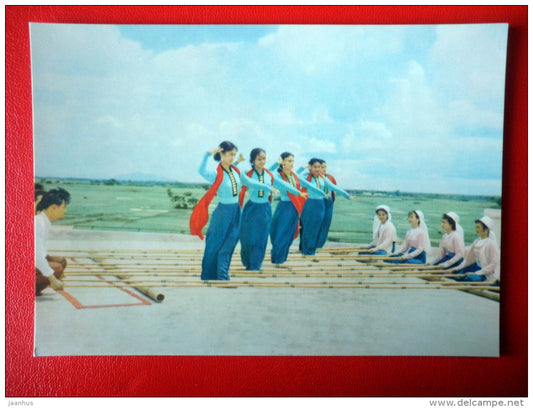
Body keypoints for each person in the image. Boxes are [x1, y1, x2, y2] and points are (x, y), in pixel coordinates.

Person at [190, 141, 244, 281]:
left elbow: (238, 178)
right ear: (222, 154)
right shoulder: (216, 174)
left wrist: (237, 162)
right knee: (214, 244)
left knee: (230, 243)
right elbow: (201, 171)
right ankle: (208, 275)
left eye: (234, 155)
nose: (232, 157)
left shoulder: (235, 171)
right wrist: (207, 155)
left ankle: (222, 274)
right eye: (230, 154)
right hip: (223, 213)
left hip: (236, 212)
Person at [297, 158, 350, 256]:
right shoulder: (306, 177)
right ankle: (306, 250)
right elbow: (297, 177)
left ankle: (311, 250)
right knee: (308, 227)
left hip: (320, 204)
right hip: (310, 203)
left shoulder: (323, 178)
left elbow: (333, 187)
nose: (318, 169)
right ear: (310, 167)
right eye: (315, 167)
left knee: (317, 228)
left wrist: (346, 195)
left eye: (319, 167)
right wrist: (303, 168)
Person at [268, 152, 310, 267]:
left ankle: (281, 259)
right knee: (281, 233)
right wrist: (276, 163)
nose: (292, 163)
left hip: (294, 208)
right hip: (285, 207)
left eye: (292, 161)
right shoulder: (278, 177)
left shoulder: (293, 175)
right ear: (283, 162)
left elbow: (300, 177)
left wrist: (303, 168)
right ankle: (277, 259)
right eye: (289, 161)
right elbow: (268, 174)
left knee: (290, 234)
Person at [237, 148, 276, 271]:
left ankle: (255, 264)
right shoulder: (248, 174)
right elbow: (236, 175)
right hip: (251, 209)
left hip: (265, 209)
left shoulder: (269, 175)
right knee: (248, 237)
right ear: (253, 160)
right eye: (259, 159)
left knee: (262, 237)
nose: (262, 161)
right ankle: (247, 260)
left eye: (264, 159)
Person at [35, 187, 71, 295]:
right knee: (57, 268)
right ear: (53, 207)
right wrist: (53, 279)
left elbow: (40, 251)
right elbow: (36, 256)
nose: (65, 211)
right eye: (63, 207)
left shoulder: (43, 221)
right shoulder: (38, 223)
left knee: (60, 262)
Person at [450, 216, 500, 283]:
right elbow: (468, 260)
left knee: (470, 278)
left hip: (485, 272)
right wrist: (456, 268)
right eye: (476, 227)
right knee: (457, 275)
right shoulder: (476, 241)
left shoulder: (491, 243)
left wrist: (478, 272)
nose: (477, 229)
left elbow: (494, 263)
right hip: (476, 267)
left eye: (479, 227)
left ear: (486, 229)